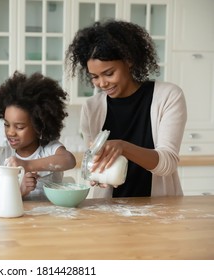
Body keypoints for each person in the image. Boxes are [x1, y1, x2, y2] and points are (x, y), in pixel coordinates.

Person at [65, 19, 187, 198]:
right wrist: (96, 170)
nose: (102, 83)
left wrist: (122, 147)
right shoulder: (92, 108)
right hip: (109, 210)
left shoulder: (168, 96)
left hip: (160, 209)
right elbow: (94, 158)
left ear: (129, 61)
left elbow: (167, 164)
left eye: (109, 73)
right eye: (94, 77)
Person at [0, 71, 76, 199]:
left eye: (19, 127)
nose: (10, 132)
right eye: (6, 125)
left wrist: (27, 165)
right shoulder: (2, 155)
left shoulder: (50, 149)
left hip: (51, 217)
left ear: (39, 126)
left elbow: (69, 160)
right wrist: (21, 189)